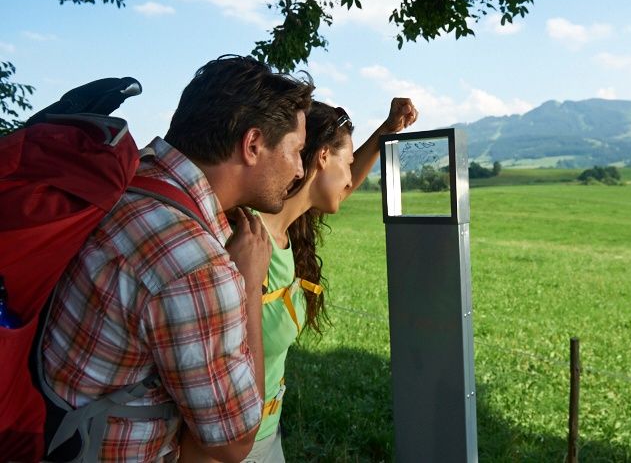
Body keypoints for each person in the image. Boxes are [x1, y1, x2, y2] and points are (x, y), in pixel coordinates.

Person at [39, 55, 314, 462]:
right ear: (253, 144)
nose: (299, 169)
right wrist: (247, 286)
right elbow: (232, 442)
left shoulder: (131, 178)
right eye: (297, 150)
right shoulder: (197, 268)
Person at [180, 98, 418, 462]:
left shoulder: (288, 229)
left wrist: (385, 132)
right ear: (322, 157)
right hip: (225, 448)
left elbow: (338, 188)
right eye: (348, 163)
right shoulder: (246, 243)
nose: (351, 178)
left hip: (268, 433)